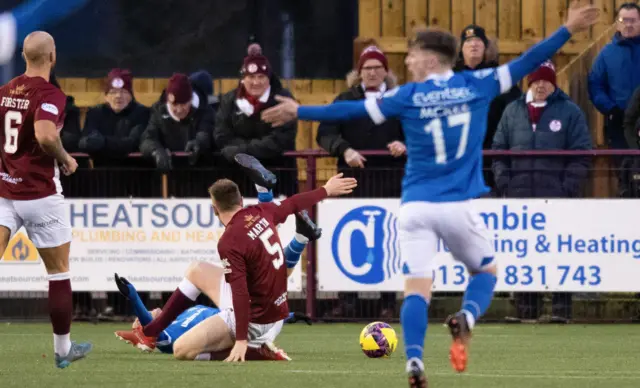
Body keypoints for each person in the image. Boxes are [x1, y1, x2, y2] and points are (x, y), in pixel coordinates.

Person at [261, 5, 599, 387]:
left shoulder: (407, 96)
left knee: (416, 289)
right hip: (455, 205)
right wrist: (568, 28)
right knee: (486, 271)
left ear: (431, 59)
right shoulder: (478, 84)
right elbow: (529, 61)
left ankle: (415, 361)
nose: (406, 60)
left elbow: (352, 108)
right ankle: (467, 317)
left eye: (412, 54)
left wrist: (299, 109)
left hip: (416, 207)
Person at [115, 154, 355, 362]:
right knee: (197, 269)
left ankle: (255, 351)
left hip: (255, 321)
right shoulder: (262, 211)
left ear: (214, 210)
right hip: (277, 309)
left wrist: (241, 339)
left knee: (181, 350)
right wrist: (326, 190)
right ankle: (152, 331)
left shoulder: (229, 242)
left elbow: (240, 293)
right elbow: (293, 203)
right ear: (241, 202)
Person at [0, 31, 92, 368]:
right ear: (52, 56)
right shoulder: (50, 94)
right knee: (58, 273)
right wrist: (66, 159)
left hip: (4, 192)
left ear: (24, 55)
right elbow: (44, 133)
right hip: (39, 194)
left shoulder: (5, 91)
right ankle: (63, 350)